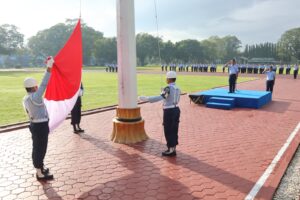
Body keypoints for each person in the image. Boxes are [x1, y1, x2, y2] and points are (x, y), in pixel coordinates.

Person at [22, 56, 54, 181]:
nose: (38, 87)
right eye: (36, 86)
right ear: (34, 87)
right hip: (40, 126)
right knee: (40, 148)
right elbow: (44, 83)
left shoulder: (26, 98)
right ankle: (39, 173)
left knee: (38, 147)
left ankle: (40, 167)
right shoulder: (35, 97)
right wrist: (49, 67)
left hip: (35, 125)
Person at [139, 71, 181, 157]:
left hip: (169, 111)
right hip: (176, 109)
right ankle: (173, 148)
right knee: (174, 129)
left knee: (168, 130)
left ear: (169, 79)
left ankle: (171, 150)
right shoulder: (177, 88)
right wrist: (164, 92)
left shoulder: (168, 88)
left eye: (166, 78)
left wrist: (147, 98)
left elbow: (160, 97)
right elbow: (171, 97)